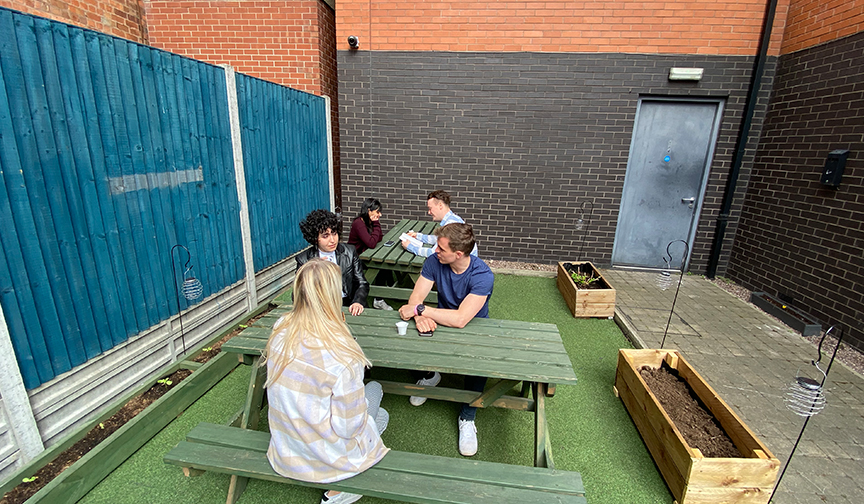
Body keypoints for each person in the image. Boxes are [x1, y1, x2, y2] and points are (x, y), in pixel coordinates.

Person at [265, 259, 390, 504]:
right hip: (326, 460)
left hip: (285, 450)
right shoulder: (343, 355)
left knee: (373, 394)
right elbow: (349, 427)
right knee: (377, 398)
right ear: (334, 296)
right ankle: (339, 491)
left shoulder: (281, 327)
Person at [398, 223, 493, 457]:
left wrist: (421, 310)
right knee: (412, 337)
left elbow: (461, 319)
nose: (435, 251)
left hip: (473, 326)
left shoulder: (482, 274)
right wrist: (419, 316)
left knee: (477, 362)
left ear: (458, 254)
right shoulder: (435, 261)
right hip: (439, 320)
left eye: (440, 248)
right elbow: (414, 299)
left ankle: (467, 416)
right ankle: (431, 376)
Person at [297, 209, 370, 316]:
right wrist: (315, 270)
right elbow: (298, 294)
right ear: (315, 238)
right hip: (319, 307)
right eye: (325, 236)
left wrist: (358, 301)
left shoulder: (349, 252)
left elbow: (362, 283)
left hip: (348, 303)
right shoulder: (304, 259)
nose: (332, 240)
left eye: (334, 233)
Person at [400, 190, 478, 257]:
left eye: (430, 208)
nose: (429, 212)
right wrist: (418, 236)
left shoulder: (451, 225)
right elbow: (438, 239)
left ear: (440, 205)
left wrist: (410, 247)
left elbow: (434, 253)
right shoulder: (453, 219)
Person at [347, 198, 392, 311]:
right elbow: (371, 243)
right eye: (377, 211)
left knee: (384, 263)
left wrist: (376, 224)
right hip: (355, 258)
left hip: (365, 254)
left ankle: (382, 295)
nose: (379, 214)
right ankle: (379, 299)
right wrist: (376, 224)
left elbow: (379, 237)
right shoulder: (359, 223)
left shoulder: (369, 222)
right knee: (381, 265)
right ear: (368, 210)